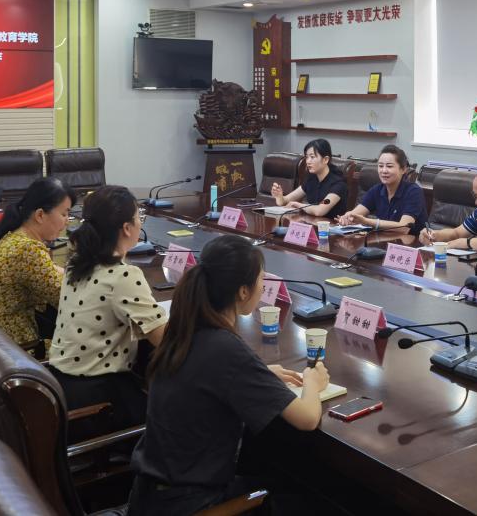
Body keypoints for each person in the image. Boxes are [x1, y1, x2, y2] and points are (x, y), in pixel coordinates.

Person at [128, 234, 330, 515]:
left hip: (149, 497)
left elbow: (212, 375)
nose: (263, 286)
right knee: (307, 495)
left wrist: (261, 375)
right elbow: (307, 419)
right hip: (189, 504)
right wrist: (312, 382)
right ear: (243, 292)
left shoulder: (185, 328)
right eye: (261, 279)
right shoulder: (226, 347)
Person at [49, 185, 167, 435]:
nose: (140, 222)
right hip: (98, 403)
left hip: (62, 387)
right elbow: (164, 338)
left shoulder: (76, 263)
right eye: (138, 217)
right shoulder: (123, 276)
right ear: (127, 228)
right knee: (175, 415)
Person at [0, 177, 76, 347]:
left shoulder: (13, 235)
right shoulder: (28, 249)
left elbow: (47, 272)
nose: (67, 221)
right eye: (64, 214)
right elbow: (67, 299)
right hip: (10, 349)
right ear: (40, 215)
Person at [337, 144, 427, 236]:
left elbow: (404, 228)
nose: (384, 171)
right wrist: (348, 217)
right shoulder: (377, 190)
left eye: (389, 166)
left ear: (403, 169)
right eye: (380, 166)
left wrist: (366, 221)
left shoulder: (414, 191)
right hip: (384, 240)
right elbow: (355, 214)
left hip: (411, 243)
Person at [270, 138, 347, 218]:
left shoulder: (338, 184)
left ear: (325, 160)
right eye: (307, 157)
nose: (308, 161)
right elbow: (285, 201)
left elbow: (320, 210)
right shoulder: (311, 179)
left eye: (312, 157)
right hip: (312, 223)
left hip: (331, 224)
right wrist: (279, 196)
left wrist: (299, 205)